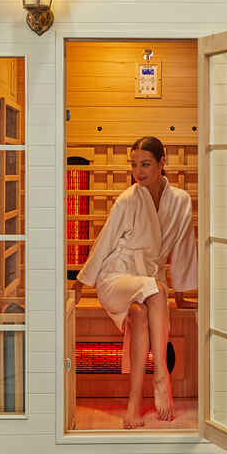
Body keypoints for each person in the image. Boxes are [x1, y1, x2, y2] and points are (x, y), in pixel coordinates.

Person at [73, 136, 197, 428]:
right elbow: (105, 242)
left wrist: (180, 294)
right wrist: (81, 281)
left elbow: (183, 246)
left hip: (149, 280)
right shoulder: (128, 199)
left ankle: (133, 403)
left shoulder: (180, 200)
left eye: (145, 164)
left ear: (162, 163)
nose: (138, 172)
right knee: (156, 291)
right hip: (116, 276)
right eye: (134, 165)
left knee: (140, 313)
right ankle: (161, 377)